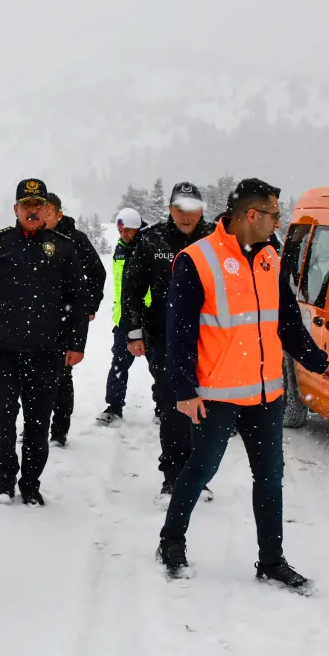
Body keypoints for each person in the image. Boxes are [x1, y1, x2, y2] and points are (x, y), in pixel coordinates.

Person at [155, 178, 329, 589]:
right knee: (200, 469)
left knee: (270, 478)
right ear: (251, 215)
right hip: (217, 394)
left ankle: (271, 560)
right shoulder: (197, 259)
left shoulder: (270, 257)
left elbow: (287, 322)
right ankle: (171, 540)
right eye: (275, 213)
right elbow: (180, 333)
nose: (279, 220)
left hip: (265, 393)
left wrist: (319, 361)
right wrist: (185, 390)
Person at [0, 179, 89, 506]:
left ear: (47, 209)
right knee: (3, 418)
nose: (32, 211)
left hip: (46, 353)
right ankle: (5, 479)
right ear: (16, 209)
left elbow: (79, 299)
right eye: (26, 205)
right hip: (3, 352)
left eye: (38, 205)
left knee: (38, 422)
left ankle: (31, 483)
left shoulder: (62, 247)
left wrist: (76, 343)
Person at [122, 181, 214, 508]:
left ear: (201, 209)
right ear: (170, 209)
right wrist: (133, 332)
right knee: (173, 406)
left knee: (203, 409)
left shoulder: (218, 239)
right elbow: (131, 289)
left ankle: (197, 477)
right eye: (179, 209)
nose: (185, 216)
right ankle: (172, 477)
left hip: (210, 340)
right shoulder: (151, 239)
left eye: (191, 210)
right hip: (165, 338)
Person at [42, 191, 105, 447]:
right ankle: (36, 426)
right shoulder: (33, 237)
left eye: (48, 212)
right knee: (34, 378)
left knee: (61, 377)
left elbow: (97, 273)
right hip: (37, 322)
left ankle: (59, 430)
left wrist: (89, 306)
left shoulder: (76, 240)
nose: (42, 217)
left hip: (66, 319)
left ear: (59, 214)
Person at [97, 207, 150, 425]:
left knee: (161, 367)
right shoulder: (120, 249)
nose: (124, 234)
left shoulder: (149, 247)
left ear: (138, 228)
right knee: (119, 363)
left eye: (128, 230)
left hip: (149, 316)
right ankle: (114, 406)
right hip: (124, 319)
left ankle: (165, 407)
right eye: (121, 231)